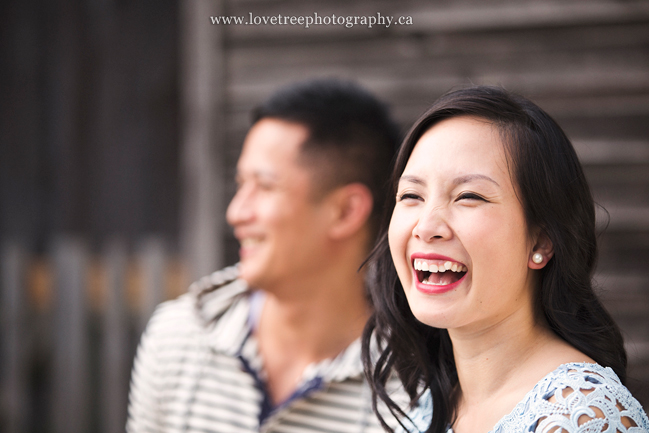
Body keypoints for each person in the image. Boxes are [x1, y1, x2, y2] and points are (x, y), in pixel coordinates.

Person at [127, 78, 410, 432]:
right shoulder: (177, 339)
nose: (236, 212)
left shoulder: (410, 389)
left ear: (345, 211)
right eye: (240, 184)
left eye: (264, 186)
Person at [361, 86, 649, 433]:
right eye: (411, 195)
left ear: (541, 240)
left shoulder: (580, 415)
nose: (426, 227)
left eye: (469, 196)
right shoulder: (430, 401)